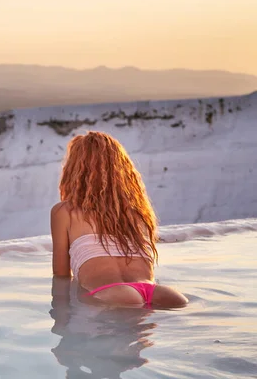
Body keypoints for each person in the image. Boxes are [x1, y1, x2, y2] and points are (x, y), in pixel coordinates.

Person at [51, 131, 188, 307]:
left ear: (74, 170)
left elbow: (61, 276)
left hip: (113, 293)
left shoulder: (64, 212)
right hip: (156, 291)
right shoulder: (137, 211)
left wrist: (62, 325)